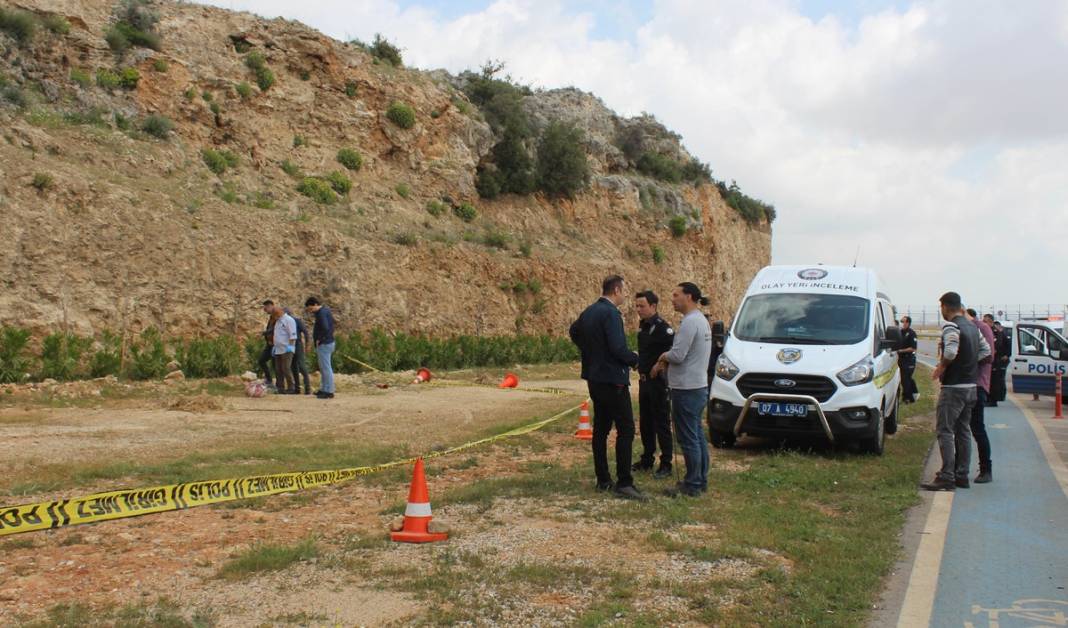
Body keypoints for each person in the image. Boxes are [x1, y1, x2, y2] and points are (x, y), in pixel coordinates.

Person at [569, 275, 644, 500]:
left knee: (601, 429)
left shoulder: (589, 311)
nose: (626, 295)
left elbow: (574, 332)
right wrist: (635, 360)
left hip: (595, 378)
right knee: (626, 429)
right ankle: (624, 482)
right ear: (617, 290)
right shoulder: (611, 314)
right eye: (624, 290)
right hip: (613, 379)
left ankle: (603, 479)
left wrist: (590, 352)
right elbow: (617, 347)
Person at [921, 292, 991, 491]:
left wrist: (941, 367)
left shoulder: (952, 326)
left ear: (944, 306)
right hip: (971, 387)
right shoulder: (972, 326)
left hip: (953, 388)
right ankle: (962, 475)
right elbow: (986, 352)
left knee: (945, 430)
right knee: (963, 431)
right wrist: (969, 364)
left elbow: (950, 352)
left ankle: (946, 475)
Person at [651, 282, 713, 497]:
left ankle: (692, 484)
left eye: (676, 295)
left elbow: (678, 355)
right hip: (697, 385)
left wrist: (662, 357)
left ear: (689, 297)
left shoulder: (690, 322)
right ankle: (700, 479)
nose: (672, 299)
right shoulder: (701, 321)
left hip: (686, 388)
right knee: (696, 434)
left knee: (688, 438)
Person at [633, 290, 674, 478]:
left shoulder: (663, 329)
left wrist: (661, 364)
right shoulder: (643, 326)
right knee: (646, 422)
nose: (638, 309)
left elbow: (673, 352)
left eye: (642, 306)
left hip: (657, 383)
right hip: (643, 383)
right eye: (637, 306)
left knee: (661, 423)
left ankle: (666, 463)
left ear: (653, 306)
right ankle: (647, 459)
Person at [966, 308, 996, 483]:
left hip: (977, 384)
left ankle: (986, 469)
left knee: (977, 429)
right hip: (963, 384)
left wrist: (966, 360)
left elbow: (989, 356)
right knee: (960, 429)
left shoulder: (982, 328)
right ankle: (958, 469)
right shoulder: (962, 327)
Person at [305, 296, 336, 399]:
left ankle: (329, 391)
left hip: (325, 344)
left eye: (310, 308)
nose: (311, 311)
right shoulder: (324, 311)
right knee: (323, 368)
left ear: (315, 304)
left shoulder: (321, 313)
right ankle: (324, 389)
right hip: (327, 342)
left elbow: (325, 328)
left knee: (326, 368)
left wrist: (320, 339)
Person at [286, 307, 311, 395]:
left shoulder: (297, 321)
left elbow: (305, 332)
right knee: (293, 367)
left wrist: (308, 344)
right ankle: (297, 388)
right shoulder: (284, 322)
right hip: (289, 346)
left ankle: (308, 388)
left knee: (301, 366)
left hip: (298, 345)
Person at [272, 305, 297, 394]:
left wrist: (290, 347)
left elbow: (293, 335)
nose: (273, 316)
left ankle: (291, 387)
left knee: (286, 368)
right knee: (278, 369)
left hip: (287, 348)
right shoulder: (278, 321)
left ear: (279, 312)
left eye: (274, 314)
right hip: (278, 348)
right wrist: (275, 346)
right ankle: (280, 388)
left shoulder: (289, 320)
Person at [987, 316, 1010, 405]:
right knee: (994, 380)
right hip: (994, 360)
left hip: (997, 360)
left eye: (985, 321)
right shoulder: (990, 331)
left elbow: (998, 345)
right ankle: (991, 399)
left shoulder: (997, 332)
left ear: (990, 322)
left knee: (996, 381)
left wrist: (1006, 355)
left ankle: (994, 400)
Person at [257, 300, 277, 390]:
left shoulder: (277, 316)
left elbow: (274, 329)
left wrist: (264, 333)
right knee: (261, 360)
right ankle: (269, 380)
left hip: (275, 344)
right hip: (269, 344)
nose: (265, 310)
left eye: (266, 308)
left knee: (275, 364)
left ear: (270, 306)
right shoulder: (271, 317)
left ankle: (278, 385)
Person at [898, 316, 919, 403]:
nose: (903, 324)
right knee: (906, 379)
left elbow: (913, 348)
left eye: (904, 322)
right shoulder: (901, 332)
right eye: (902, 322)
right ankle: (914, 394)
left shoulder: (911, 333)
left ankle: (906, 398)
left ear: (908, 323)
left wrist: (901, 350)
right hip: (901, 359)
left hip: (909, 359)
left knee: (905, 379)